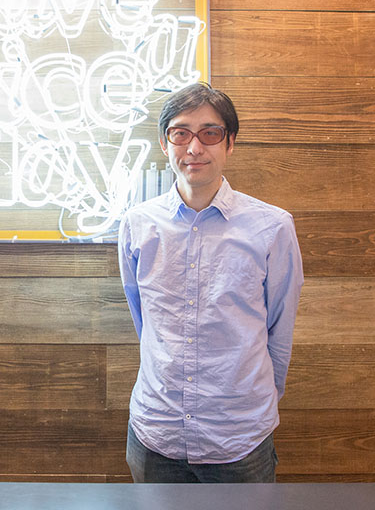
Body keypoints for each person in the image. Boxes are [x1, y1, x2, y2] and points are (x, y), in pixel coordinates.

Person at [118, 83, 303, 483]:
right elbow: (143, 320)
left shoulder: (272, 227)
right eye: (180, 133)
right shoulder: (137, 225)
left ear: (229, 143)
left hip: (239, 436)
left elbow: (280, 327)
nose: (194, 147)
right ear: (164, 143)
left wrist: (258, 400)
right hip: (157, 431)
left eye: (210, 133)